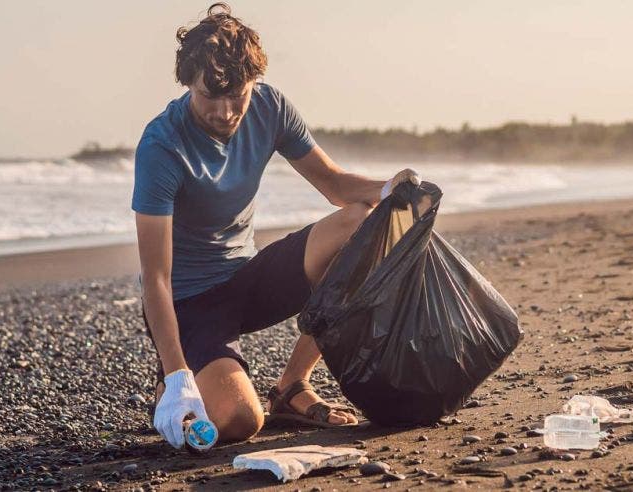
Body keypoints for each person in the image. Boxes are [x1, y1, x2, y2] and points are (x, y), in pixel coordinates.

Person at [132, 3, 420, 449]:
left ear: (254, 83)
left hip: (248, 279)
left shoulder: (269, 107)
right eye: (211, 96)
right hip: (191, 303)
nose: (227, 112)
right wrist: (176, 377)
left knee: (362, 222)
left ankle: (292, 386)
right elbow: (156, 278)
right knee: (241, 422)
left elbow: (336, 185)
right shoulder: (161, 146)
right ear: (187, 82)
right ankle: (173, 387)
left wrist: (392, 189)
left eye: (238, 96)